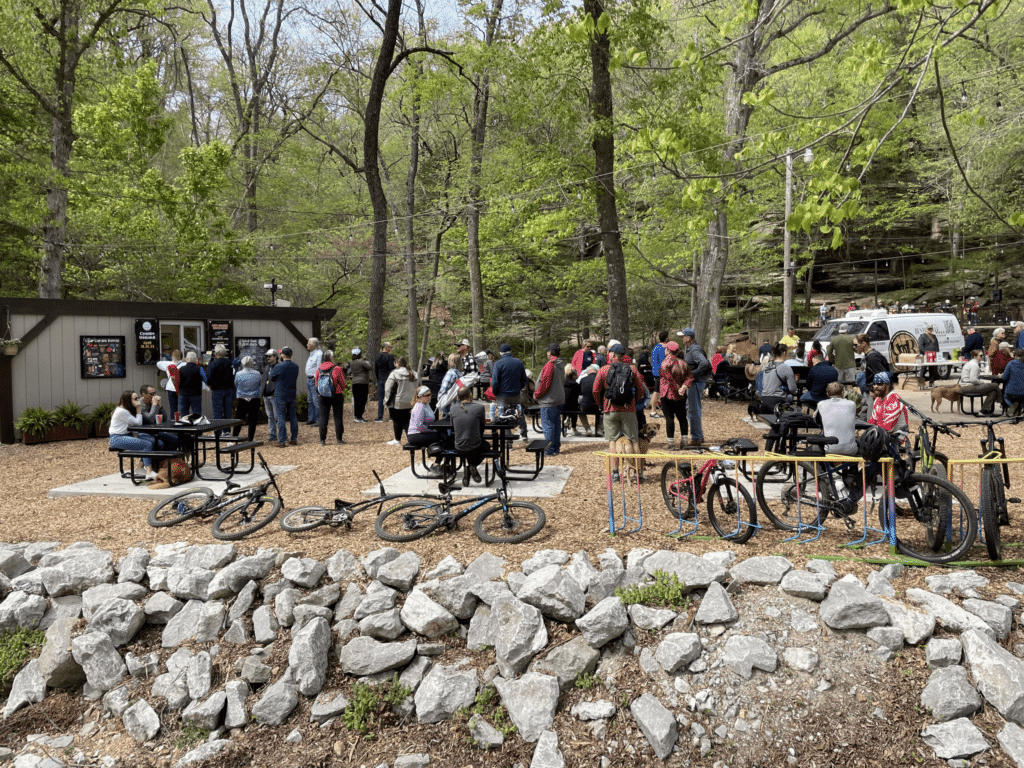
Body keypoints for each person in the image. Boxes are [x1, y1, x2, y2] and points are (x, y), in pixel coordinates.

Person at [593, 343, 648, 482]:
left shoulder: (604, 370)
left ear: (612, 354)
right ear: (623, 355)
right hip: (628, 409)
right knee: (634, 441)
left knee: (612, 441)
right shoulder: (632, 369)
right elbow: (641, 388)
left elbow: (595, 390)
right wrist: (634, 401)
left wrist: (601, 404)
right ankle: (637, 473)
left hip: (610, 409)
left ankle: (616, 473)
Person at [109, 391, 158, 481]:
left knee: (152, 441)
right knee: (147, 445)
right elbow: (138, 423)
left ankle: (140, 468)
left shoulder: (124, 409)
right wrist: (138, 408)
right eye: (135, 399)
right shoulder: (122, 411)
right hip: (117, 438)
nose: (138, 400)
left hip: (125, 436)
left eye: (137, 398)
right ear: (128, 400)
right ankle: (149, 472)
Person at [490, 342, 529, 441]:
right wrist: (518, 388)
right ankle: (524, 433)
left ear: (500, 353)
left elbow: (495, 381)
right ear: (510, 351)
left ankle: (508, 441)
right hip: (516, 393)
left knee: (504, 416)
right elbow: (524, 379)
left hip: (502, 394)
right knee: (519, 412)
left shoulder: (498, 364)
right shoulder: (518, 362)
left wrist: (495, 392)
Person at [450, 387, 489, 486]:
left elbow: (453, 427)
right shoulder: (479, 408)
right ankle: (472, 465)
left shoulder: (453, 409)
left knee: (467, 442)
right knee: (486, 445)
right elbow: (482, 427)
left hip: (459, 446)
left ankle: (468, 471)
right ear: (470, 395)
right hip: (475, 446)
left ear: (458, 397)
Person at [533, 343, 566, 457]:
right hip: (558, 399)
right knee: (556, 425)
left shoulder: (551, 365)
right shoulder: (560, 364)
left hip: (549, 400)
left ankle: (549, 449)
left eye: (548, 351)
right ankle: (555, 447)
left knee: (548, 425)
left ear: (550, 352)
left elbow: (545, 383)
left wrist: (537, 395)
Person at [680, 328, 711, 446]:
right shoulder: (691, 349)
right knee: (692, 409)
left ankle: (696, 438)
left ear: (688, 338)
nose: (681, 339)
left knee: (693, 410)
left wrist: (692, 374)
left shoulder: (694, 350)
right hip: (694, 383)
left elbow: (704, 363)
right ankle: (699, 435)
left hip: (696, 383)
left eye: (683, 337)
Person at [658, 341, 691, 450]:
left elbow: (669, 380)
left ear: (668, 350)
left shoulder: (665, 363)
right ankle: (684, 442)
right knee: (682, 418)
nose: (664, 350)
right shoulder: (683, 363)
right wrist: (684, 387)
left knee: (669, 418)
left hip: (667, 394)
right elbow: (690, 377)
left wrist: (678, 389)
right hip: (681, 395)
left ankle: (670, 443)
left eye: (665, 348)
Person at [407, 385, 443, 477]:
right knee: (442, 438)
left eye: (430, 394)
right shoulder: (419, 407)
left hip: (423, 432)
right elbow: (419, 426)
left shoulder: (426, 405)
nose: (429, 397)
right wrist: (432, 430)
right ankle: (436, 464)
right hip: (415, 435)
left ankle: (440, 463)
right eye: (427, 395)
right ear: (420, 396)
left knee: (445, 436)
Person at [313, 350, 346, 445]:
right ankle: (339, 439)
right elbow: (343, 383)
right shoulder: (337, 368)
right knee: (338, 417)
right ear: (332, 358)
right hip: (336, 394)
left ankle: (322, 440)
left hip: (323, 396)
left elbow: (316, 383)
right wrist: (341, 389)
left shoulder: (319, 369)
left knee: (323, 417)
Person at [383, 356, 417, 446]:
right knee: (408, 421)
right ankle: (411, 439)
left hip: (398, 401)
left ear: (397, 363)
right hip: (412, 401)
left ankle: (397, 440)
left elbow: (388, 388)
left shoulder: (394, 374)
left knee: (397, 420)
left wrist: (386, 401)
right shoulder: (414, 373)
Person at [816, 382, 857, 455]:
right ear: (842, 393)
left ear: (827, 394)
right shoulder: (852, 404)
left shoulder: (821, 404)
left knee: (814, 447)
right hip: (850, 449)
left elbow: (816, 419)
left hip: (830, 449)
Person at [271, 346, 300, 447]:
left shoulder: (278, 366)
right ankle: (294, 439)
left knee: (281, 417)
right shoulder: (295, 366)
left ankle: (282, 440)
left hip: (280, 394)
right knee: (293, 417)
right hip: (291, 393)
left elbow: (272, 377)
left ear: (283, 355)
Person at [958, 348, 1000, 415]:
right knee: (995, 385)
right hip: (969, 387)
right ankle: (1002, 401)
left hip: (965, 386)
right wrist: (981, 383)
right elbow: (973, 380)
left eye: (982, 355)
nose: (982, 357)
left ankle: (983, 411)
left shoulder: (969, 363)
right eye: (980, 355)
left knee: (993, 392)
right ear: (975, 356)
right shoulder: (974, 365)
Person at [139, 384, 178, 450]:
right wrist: (154, 405)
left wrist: (160, 406)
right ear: (143, 394)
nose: (154, 396)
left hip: (154, 431)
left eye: (155, 393)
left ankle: (168, 456)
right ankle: (162, 456)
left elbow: (164, 419)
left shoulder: (151, 402)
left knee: (176, 439)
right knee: (163, 442)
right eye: (151, 394)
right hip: (144, 433)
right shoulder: (140, 405)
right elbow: (150, 419)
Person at [232, 357, 262, 442]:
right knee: (252, 421)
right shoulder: (257, 373)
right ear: (252, 363)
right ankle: (250, 440)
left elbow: (236, 384)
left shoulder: (238, 374)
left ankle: (234, 439)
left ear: (242, 363)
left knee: (239, 420)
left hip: (242, 398)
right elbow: (259, 384)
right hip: (254, 398)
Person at [759, 343, 797, 411]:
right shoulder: (786, 368)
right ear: (784, 353)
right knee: (790, 397)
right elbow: (792, 389)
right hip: (778, 402)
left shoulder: (767, 366)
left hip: (764, 400)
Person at [856, 333, 890, 405]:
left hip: (874, 394)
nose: (854, 347)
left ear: (864, 343)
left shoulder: (872, 357)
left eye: (856, 345)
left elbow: (882, 376)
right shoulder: (868, 356)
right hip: (868, 392)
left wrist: (874, 391)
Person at [207, 345, 234, 434]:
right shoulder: (230, 363)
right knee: (228, 411)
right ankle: (227, 431)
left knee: (217, 412)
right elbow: (233, 376)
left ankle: (218, 432)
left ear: (216, 353)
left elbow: (209, 378)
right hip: (228, 389)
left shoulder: (213, 364)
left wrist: (210, 385)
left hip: (216, 389)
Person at [176, 351, 206, 417]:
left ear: (186, 359)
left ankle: (184, 423)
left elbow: (177, 381)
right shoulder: (199, 369)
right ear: (196, 360)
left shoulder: (181, 369)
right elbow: (205, 379)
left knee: (183, 415)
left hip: (183, 394)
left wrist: (178, 390)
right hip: (196, 395)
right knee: (196, 415)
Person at [348, 348, 373, 423]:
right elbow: (370, 367)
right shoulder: (361, 362)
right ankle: (359, 416)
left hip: (355, 383)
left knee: (356, 400)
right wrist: (366, 361)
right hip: (362, 383)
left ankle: (356, 416)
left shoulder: (351, 362)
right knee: (363, 400)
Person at [437, 352, 465, 418]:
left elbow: (444, 388)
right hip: (458, 403)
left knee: (448, 421)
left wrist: (439, 399)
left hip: (449, 404)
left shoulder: (450, 373)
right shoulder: (460, 374)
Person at [578, 363, 602, 437]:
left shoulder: (583, 380)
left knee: (580, 412)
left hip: (585, 406)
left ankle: (587, 429)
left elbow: (580, 393)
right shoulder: (600, 379)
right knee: (604, 412)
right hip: (598, 406)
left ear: (588, 372)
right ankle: (599, 429)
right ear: (596, 371)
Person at [374, 341, 396, 422]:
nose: (391, 349)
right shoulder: (390, 357)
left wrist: (378, 379)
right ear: (386, 348)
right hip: (388, 379)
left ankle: (380, 417)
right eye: (390, 347)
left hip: (380, 379)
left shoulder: (377, 356)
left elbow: (376, 369)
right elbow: (391, 368)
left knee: (381, 398)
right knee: (390, 397)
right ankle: (391, 417)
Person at [261, 350, 279, 445]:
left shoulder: (279, 367)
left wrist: (275, 392)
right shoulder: (266, 367)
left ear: (275, 356)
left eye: (270, 356)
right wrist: (262, 393)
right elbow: (263, 381)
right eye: (267, 356)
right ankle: (272, 435)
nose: (268, 358)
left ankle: (281, 435)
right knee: (270, 416)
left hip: (274, 395)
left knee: (277, 416)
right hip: (266, 395)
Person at [563, 364, 587, 436]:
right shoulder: (575, 385)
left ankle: (565, 422)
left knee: (566, 405)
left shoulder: (562, 383)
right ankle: (574, 429)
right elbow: (581, 393)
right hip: (573, 405)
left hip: (563, 405)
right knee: (575, 407)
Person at [304, 337, 323, 426]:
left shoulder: (319, 354)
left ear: (313, 345)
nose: (307, 345)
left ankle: (318, 420)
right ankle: (311, 419)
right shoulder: (312, 354)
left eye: (308, 343)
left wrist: (315, 378)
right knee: (310, 400)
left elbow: (319, 367)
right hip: (309, 379)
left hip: (313, 379)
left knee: (316, 401)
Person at [156, 349, 182, 415]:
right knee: (182, 408)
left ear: (172, 356)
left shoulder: (168, 364)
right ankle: (182, 420)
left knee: (173, 408)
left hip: (171, 387)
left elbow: (158, 363)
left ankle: (173, 420)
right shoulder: (184, 364)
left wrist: (170, 359)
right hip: (181, 388)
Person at [650, 330, 669, 417]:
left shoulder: (655, 347)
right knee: (657, 392)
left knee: (657, 391)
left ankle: (655, 410)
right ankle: (653, 411)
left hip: (655, 372)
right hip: (662, 373)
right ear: (666, 338)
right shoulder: (665, 348)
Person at [1003, 349, 1024, 415]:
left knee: (1005, 397)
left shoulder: (1011, 363)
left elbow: (1004, 377)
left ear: (1015, 355)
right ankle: (1020, 407)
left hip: (1011, 392)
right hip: (1023, 392)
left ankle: (1014, 406)